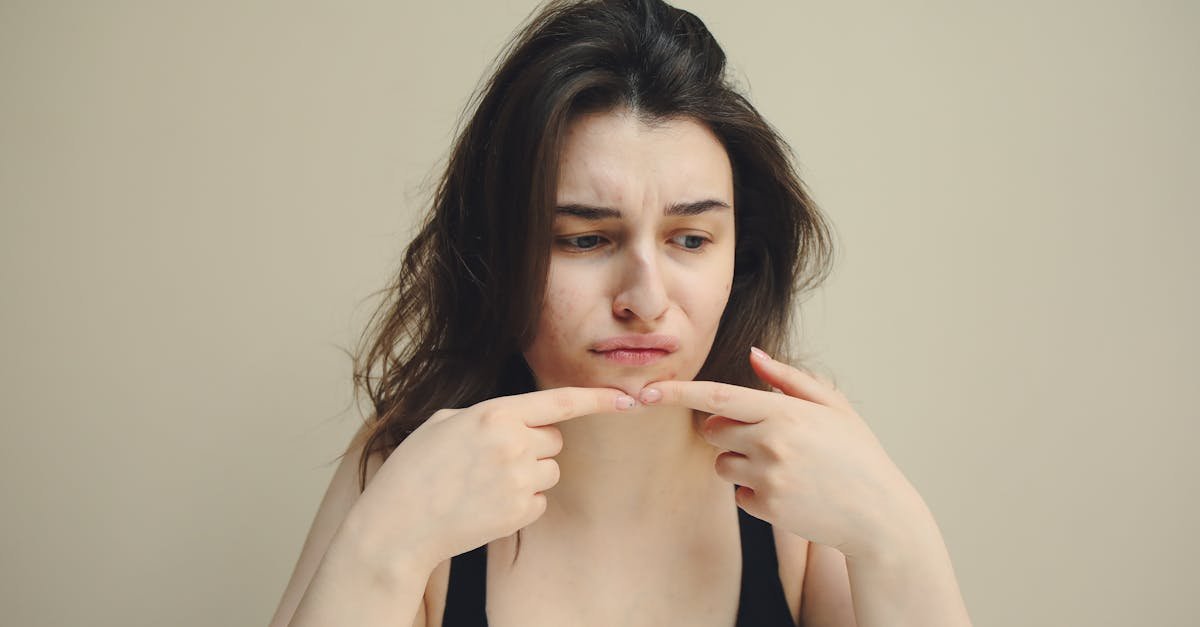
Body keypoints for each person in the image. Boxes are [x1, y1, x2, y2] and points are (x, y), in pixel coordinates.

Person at [270, 1, 973, 626]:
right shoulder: (406, 465)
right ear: (499, 248)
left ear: (741, 254)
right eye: (585, 239)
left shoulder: (798, 479)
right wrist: (383, 545)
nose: (645, 299)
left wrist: (894, 532)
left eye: (691, 240)